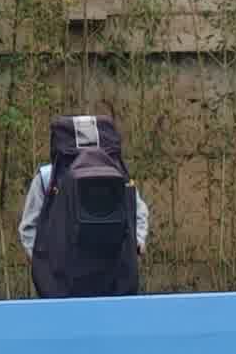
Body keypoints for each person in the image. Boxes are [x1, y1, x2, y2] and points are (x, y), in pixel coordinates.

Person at [18, 113, 152, 300]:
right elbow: (138, 212)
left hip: (61, 288)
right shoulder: (119, 177)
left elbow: (28, 228)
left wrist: (44, 267)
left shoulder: (47, 178)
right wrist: (137, 244)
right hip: (116, 283)